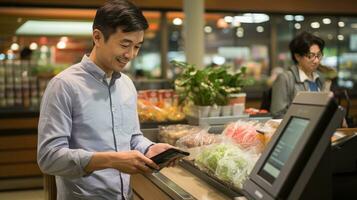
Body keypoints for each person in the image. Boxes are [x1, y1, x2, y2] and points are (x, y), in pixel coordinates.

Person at [37, 1, 174, 199]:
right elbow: (49, 157)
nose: (131, 55)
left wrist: (150, 148)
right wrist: (111, 160)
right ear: (98, 37)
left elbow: (133, 137)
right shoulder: (64, 85)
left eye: (137, 47)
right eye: (125, 44)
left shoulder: (127, 84)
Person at [270, 31, 327, 118]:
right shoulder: (285, 79)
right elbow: (278, 114)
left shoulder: (320, 78)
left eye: (318, 55)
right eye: (310, 56)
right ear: (297, 57)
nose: (316, 61)